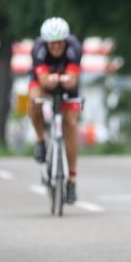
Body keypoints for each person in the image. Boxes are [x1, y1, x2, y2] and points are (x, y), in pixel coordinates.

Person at [28, 17, 82, 204]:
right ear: (46, 42)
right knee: (34, 101)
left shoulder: (74, 48)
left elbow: (73, 79)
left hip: (67, 84)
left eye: (60, 42)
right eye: (52, 43)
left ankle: (72, 179)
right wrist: (50, 80)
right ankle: (40, 140)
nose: (56, 46)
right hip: (43, 79)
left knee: (71, 123)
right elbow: (42, 80)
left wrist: (67, 80)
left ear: (65, 40)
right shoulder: (38, 50)